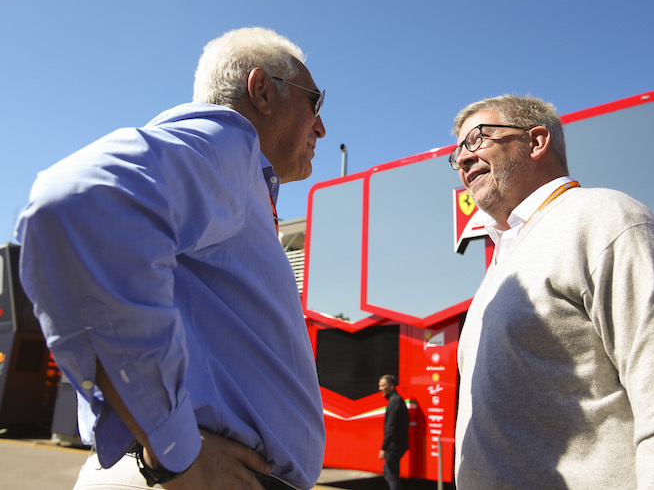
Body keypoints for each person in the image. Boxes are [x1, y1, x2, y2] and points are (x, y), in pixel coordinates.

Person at [15, 27, 327, 490]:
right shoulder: (230, 144)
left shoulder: (241, 182)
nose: (321, 125)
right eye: (314, 102)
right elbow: (80, 205)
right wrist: (176, 449)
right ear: (261, 90)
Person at [449, 95, 654, 488]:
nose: (464, 159)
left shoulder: (605, 217)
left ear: (536, 142)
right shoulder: (501, 267)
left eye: (477, 140)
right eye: (457, 153)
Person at [377, 374, 409, 490]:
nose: (380, 388)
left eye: (383, 385)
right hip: (398, 444)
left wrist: (384, 448)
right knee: (390, 472)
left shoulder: (395, 401)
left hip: (394, 446)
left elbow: (391, 427)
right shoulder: (396, 400)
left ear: (391, 386)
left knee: (390, 474)